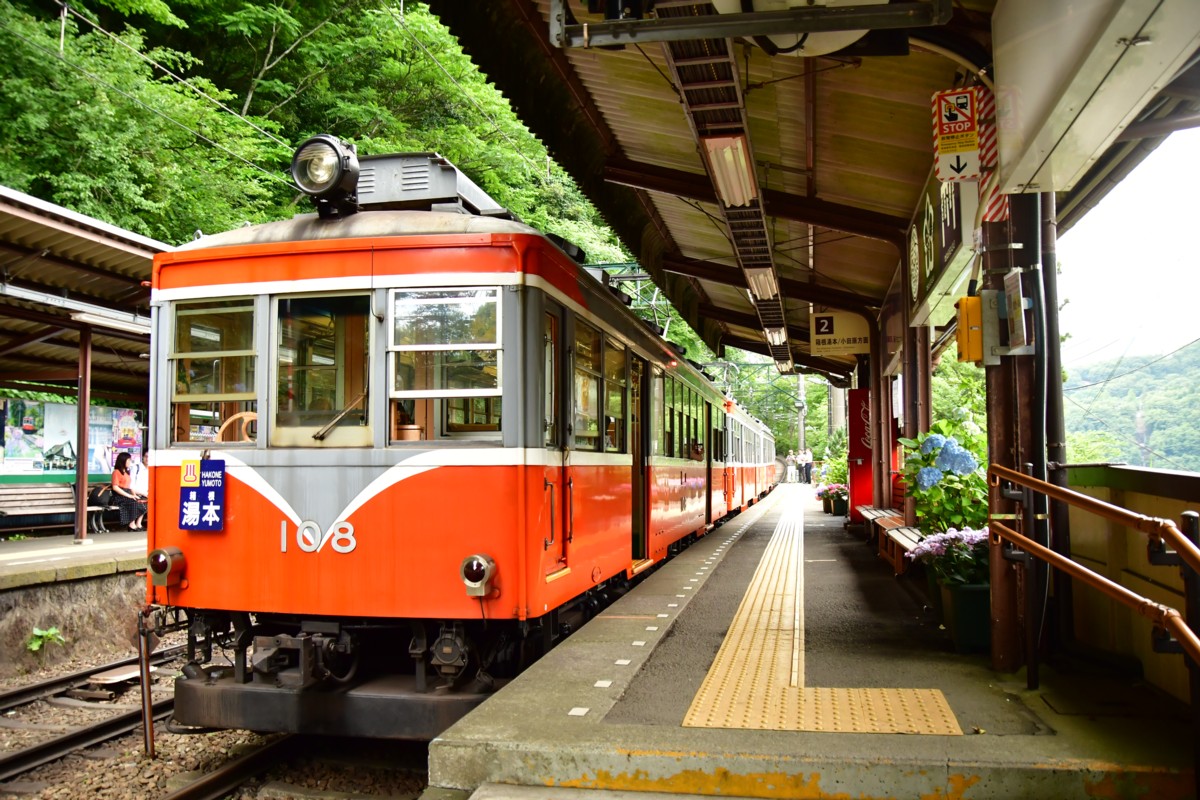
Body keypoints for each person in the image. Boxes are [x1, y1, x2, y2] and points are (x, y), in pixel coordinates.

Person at [111, 451, 147, 531]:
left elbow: (130, 487)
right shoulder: (116, 472)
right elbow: (115, 487)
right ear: (123, 461)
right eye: (128, 460)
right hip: (119, 496)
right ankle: (131, 524)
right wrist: (130, 496)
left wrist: (134, 495)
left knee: (141, 501)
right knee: (133, 502)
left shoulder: (126, 473)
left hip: (128, 493)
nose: (130, 462)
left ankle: (138, 524)